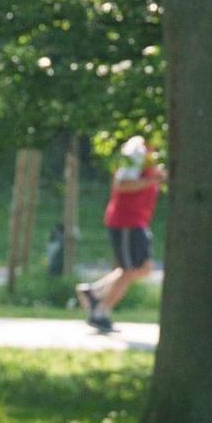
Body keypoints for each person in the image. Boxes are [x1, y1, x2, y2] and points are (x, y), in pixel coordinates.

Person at [76, 136, 165, 334]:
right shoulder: (136, 150)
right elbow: (122, 184)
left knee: (144, 268)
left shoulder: (150, 154)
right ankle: (100, 312)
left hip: (138, 220)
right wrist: (153, 180)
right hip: (127, 220)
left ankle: (95, 291)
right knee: (129, 270)